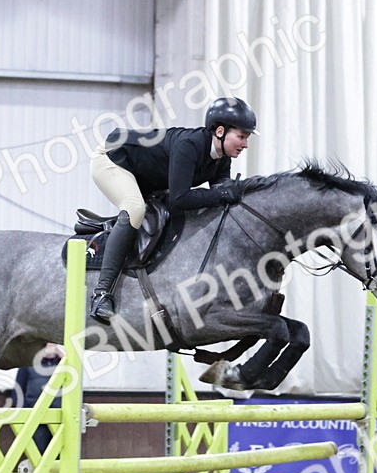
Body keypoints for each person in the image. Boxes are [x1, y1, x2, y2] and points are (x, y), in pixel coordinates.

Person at [88, 96, 258, 324]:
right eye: (242, 136)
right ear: (220, 131)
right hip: (112, 160)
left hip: (145, 176)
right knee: (135, 208)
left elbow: (221, 194)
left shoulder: (221, 157)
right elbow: (180, 199)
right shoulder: (189, 146)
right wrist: (223, 194)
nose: (246, 144)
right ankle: (101, 295)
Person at [9, 343, 64, 473]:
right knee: (37, 465)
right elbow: (17, 391)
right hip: (36, 422)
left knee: (61, 467)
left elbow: (76, 390)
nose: (50, 345)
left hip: (61, 422)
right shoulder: (28, 363)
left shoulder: (65, 364)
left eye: (53, 342)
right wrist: (21, 420)